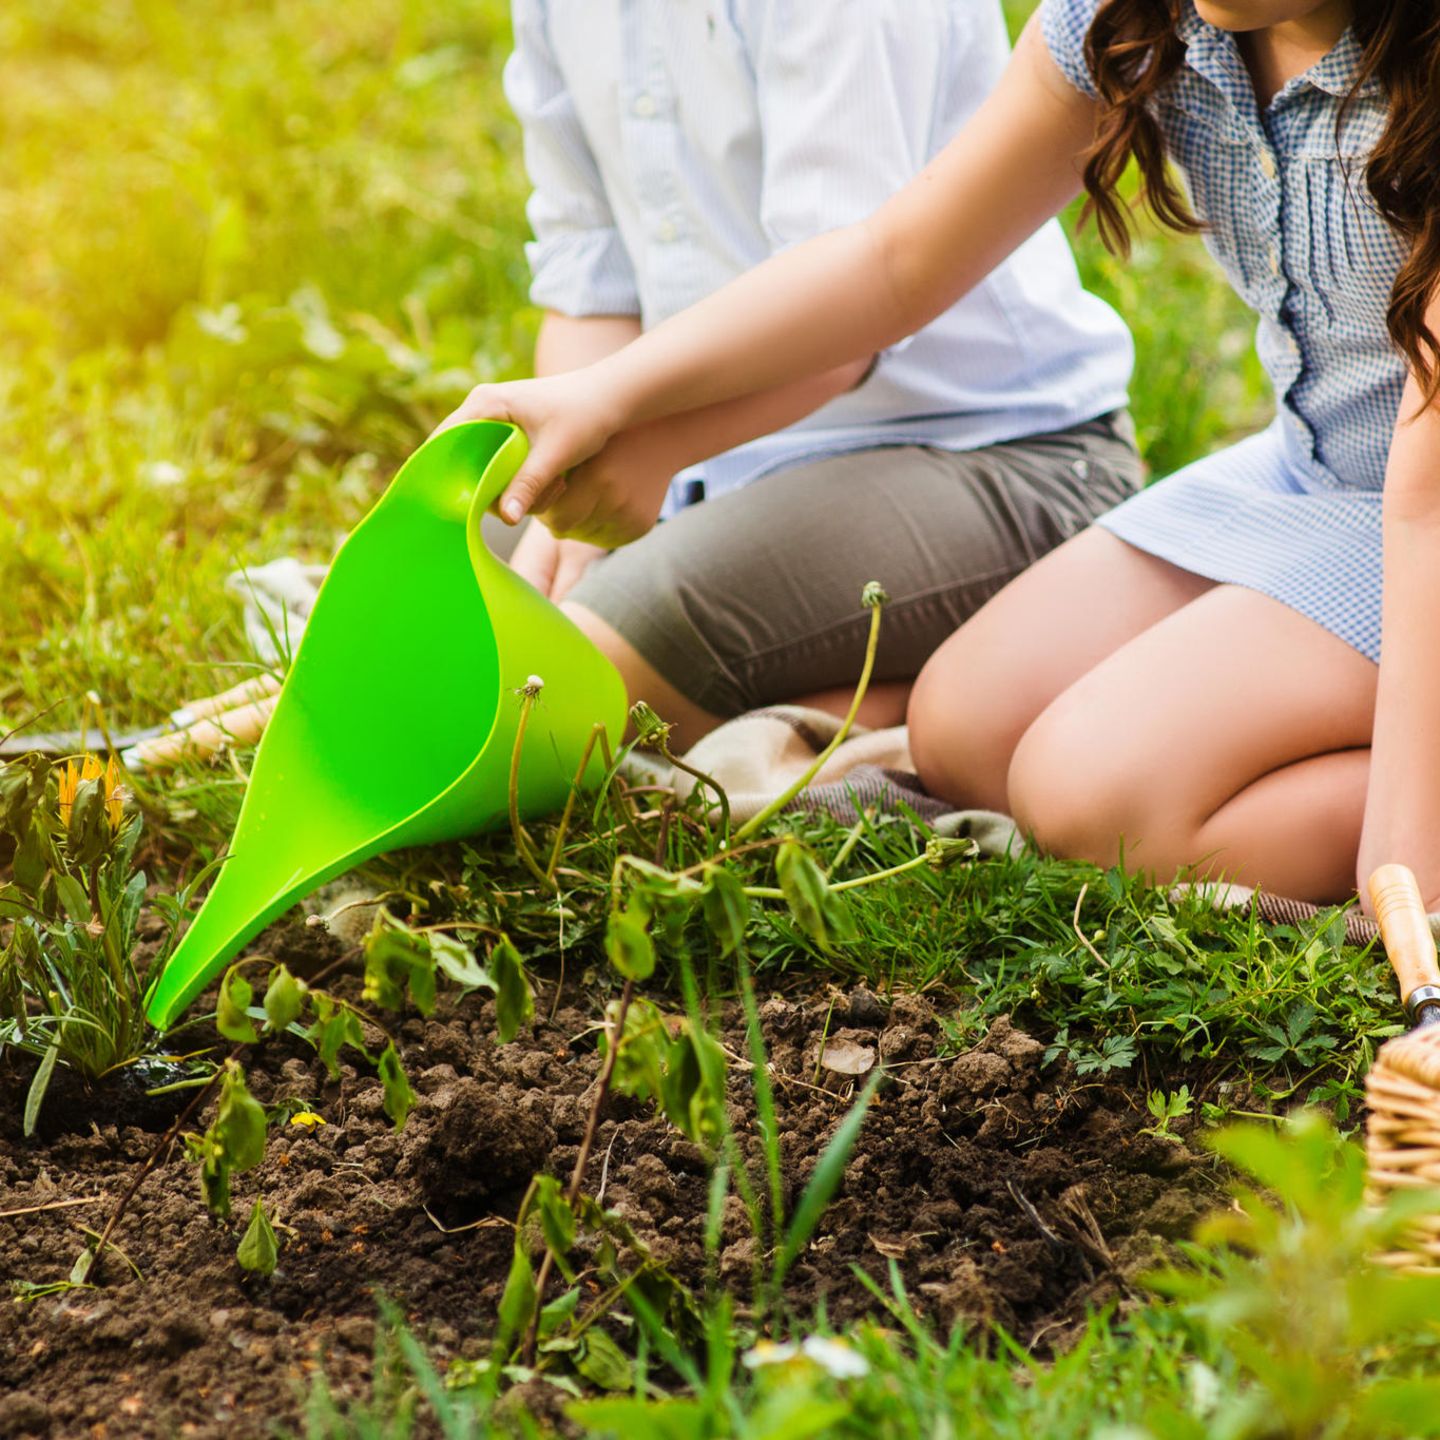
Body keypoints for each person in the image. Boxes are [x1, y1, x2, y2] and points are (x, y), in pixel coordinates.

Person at [451, 0, 1440, 910]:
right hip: (1310, 471)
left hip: (1424, 499)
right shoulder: (1143, 18)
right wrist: (612, 399)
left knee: (1090, 801)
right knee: (967, 729)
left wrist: (1410, 874)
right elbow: (896, 260)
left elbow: (1425, 500)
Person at [498, 0, 1138, 744]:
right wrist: (574, 494)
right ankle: (870, 694)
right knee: (443, 596)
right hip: (712, 455)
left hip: (989, 454)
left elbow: (853, 309)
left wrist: (655, 441)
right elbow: (590, 268)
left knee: (565, 677)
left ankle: (947, 699)